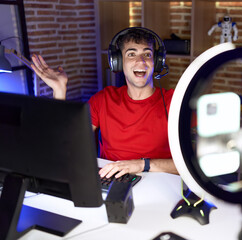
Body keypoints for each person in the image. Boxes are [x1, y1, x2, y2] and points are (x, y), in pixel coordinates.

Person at [31, 27, 178, 178]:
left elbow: (197, 164)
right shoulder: (103, 99)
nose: (141, 61)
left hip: (160, 184)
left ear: (157, 62)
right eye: (131, 54)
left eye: (147, 54)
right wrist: (59, 90)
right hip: (112, 180)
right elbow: (65, 143)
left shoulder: (176, 101)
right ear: (118, 62)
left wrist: (143, 164)